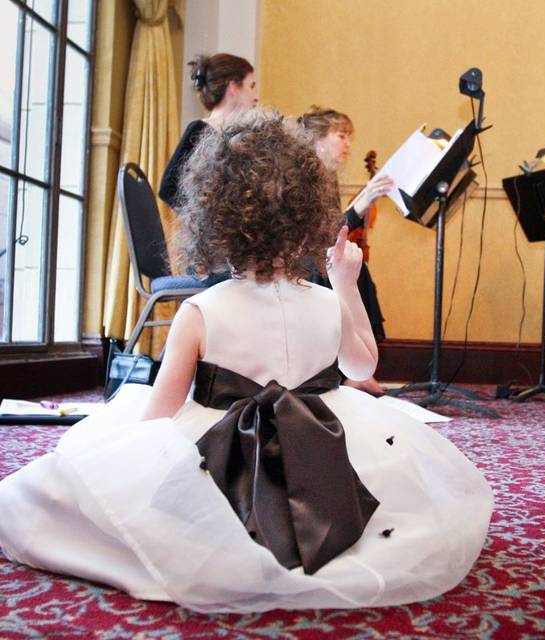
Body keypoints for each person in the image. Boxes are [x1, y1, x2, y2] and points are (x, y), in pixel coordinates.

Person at [0, 109, 493, 612]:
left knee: (69, 487)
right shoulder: (326, 301)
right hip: (326, 453)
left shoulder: (200, 310)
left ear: (213, 219)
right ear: (309, 217)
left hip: (222, 462)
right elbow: (363, 370)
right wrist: (346, 286)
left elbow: (157, 420)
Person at [298, 106, 394, 395]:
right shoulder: (305, 177)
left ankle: (358, 367)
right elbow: (326, 235)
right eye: (341, 136)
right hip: (303, 260)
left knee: (359, 269)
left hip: (318, 254)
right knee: (344, 269)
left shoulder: (327, 175)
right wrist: (363, 201)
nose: (348, 144)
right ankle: (351, 368)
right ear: (317, 139)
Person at [157, 53, 259, 285]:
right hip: (211, 259)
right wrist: (206, 223)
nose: (256, 96)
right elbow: (168, 187)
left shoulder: (234, 137)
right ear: (233, 87)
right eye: (251, 86)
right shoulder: (200, 131)